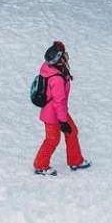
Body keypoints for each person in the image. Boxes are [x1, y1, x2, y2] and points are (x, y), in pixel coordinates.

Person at [33, 40, 91, 175]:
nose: (66, 58)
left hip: (59, 112)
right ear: (58, 60)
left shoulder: (53, 69)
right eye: (64, 56)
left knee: (72, 132)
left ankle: (75, 161)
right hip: (53, 115)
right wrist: (63, 121)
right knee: (52, 140)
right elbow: (59, 101)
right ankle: (40, 165)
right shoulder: (57, 79)